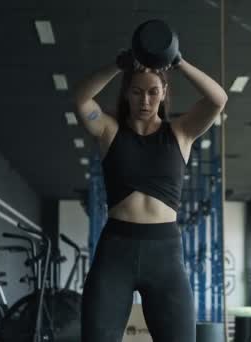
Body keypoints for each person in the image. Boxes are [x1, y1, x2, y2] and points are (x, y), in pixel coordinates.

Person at [74, 46, 228, 341]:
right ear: (126, 94)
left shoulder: (181, 132)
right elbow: (81, 100)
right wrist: (117, 65)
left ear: (164, 91)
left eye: (153, 92)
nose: (145, 100)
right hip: (115, 251)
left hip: (165, 254)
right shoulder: (109, 131)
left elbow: (218, 99)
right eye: (136, 92)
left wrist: (178, 61)